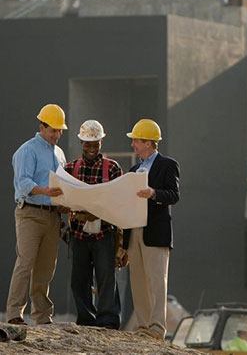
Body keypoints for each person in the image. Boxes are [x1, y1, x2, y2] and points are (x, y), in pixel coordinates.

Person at [6, 104, 68, 326]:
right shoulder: (27, 150)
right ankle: (14, 313)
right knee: (25, 262)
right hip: (30, 213)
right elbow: (22, 183)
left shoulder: (59, 153)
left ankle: (42, 315)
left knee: (46, 267)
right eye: (53, 130)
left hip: (52, 216)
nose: (57, 134)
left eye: (60, 131)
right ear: (42, 126)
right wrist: (44, 191)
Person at [64, 120, 124, 329]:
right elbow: (63, 202)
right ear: (81, 143)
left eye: (95, 144)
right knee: (79, 279)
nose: (91, 149)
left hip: (104, 232)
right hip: (79, 234)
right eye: (87, 144)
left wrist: (97, 213)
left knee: (106, 277)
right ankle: (86, 319)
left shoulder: (113, 168)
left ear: (101, 142)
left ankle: (107, 320)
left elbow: (119, 203)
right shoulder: (70, 168)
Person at [123, 118, 180, 339]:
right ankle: (144, 326)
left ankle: (157, 328)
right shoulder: (134, 169)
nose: (133, 145)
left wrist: (153, 193)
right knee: (137, 280)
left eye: (136, 140)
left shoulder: (168, 165)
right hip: (135, 229)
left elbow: (174, 195)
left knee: (157, 280)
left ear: (148, 142)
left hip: (155, 231)